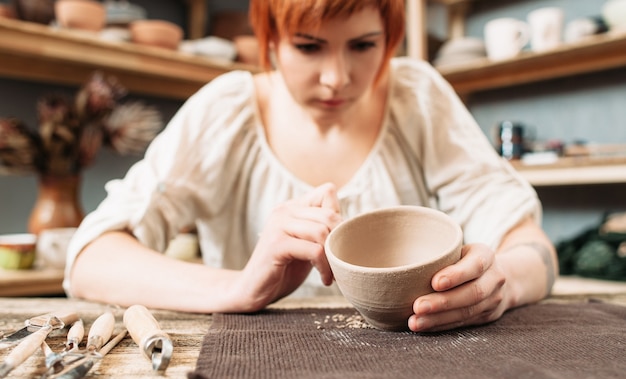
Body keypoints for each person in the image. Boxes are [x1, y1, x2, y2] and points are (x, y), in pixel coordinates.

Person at [65, 0, 558, 332]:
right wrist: (238, 287)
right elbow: (90, 259)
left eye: (363, 46)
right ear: (271, 41)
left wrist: (503, 284)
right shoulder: (226, 109)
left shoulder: (417, 96)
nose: (336, 78)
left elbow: (533, 247)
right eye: (308, 46)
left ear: (389, 38)